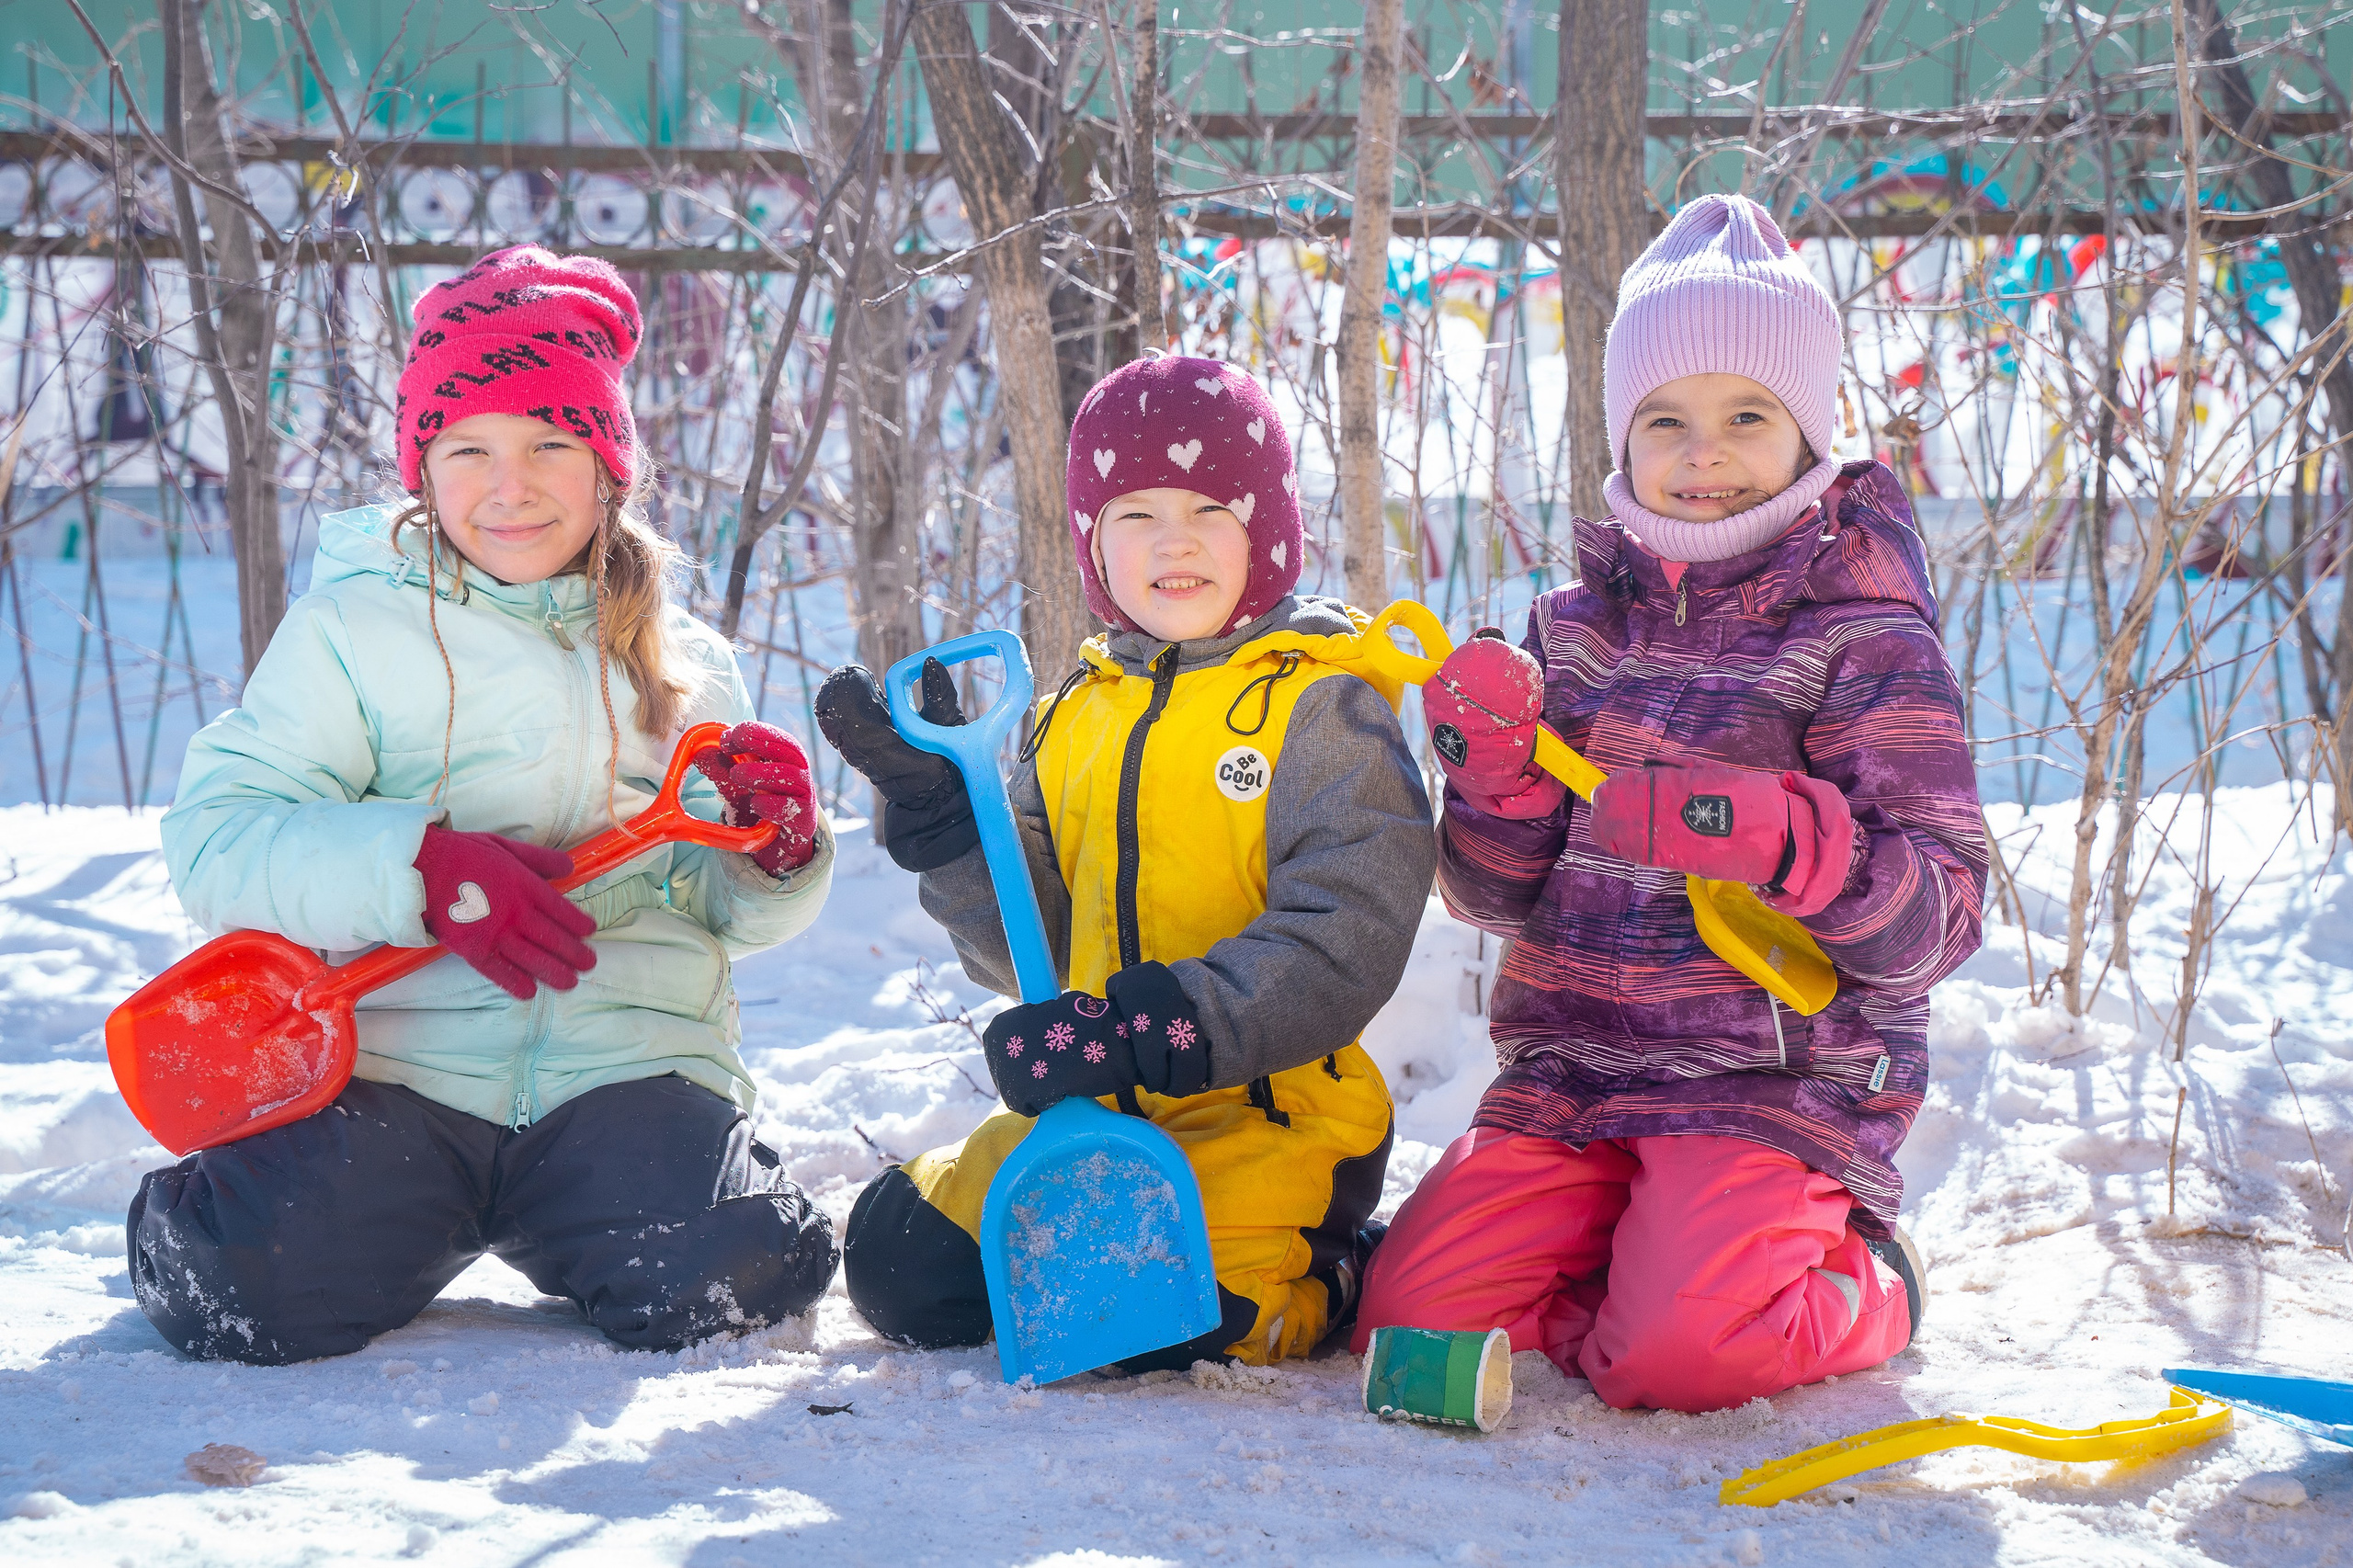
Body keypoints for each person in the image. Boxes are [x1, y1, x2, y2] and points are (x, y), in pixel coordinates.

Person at [133, 246, 840, 1364]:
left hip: (623, 1073)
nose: (509, 486)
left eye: (550, 444)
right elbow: (220, 840)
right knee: (251, 1283)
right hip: (393, 1073)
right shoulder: (352, 633)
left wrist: (777, 855)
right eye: (469, 448)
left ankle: (627, 1203)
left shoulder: (687, 665)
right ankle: (223, 1208)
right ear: (423, 466)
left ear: (607, 463)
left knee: (734, 1273)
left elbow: (715, 909)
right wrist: (416, 869)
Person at [1351, 194, 1986, 1413]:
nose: (1704, 451)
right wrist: (1494, 782)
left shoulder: (1863, 637)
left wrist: (1791, 840)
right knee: (1408, 1319)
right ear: (1620, 437)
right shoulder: (1570, 635)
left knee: (1680, 1362)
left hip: (1769, 1087)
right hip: (1576, 1077)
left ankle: (1869, 1278)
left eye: (1747, 415)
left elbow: (1941, 921)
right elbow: (1493, 897)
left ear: (1809, 434)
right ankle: (1652, 1260)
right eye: (1667, 419)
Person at [815, 355, 1437, 1368]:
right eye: (1135, 513)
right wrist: (956, 833)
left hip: (1268, 1118)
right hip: (1097, 1116)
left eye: (1208, 507)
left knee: (1150, 1314)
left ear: (1267, 530)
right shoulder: (1072, 712)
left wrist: (1158, 1024)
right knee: (900, 1263)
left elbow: (1344, 938)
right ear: (1094, 543)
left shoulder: (1323, 710)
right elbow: (1034, 946)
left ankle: (1335, 1266)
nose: (1174, 540)